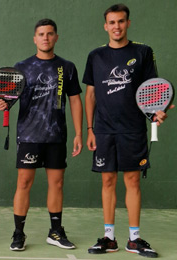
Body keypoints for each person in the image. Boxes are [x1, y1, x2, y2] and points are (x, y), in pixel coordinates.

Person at [84, 4, 172, 258]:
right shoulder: (95, 56)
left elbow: (153, 90)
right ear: (106, 26)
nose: (117, 26)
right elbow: (90, 95)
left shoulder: (143, 52)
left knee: (133, 181)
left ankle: (134, 239)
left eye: (121, 21)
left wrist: (157, 111)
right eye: (112, 22)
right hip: (103, 129)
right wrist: (90, 129)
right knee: (107, 180)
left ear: (128, 23)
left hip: (133, 129)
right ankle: (109, 238)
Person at [0, 19, 83, 251]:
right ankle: (18, 234)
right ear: (35, 39)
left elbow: (74, 100)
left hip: (56, 136)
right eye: (41, 34)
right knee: (24, 183)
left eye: (50, 34)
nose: (45, 37)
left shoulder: (67, 67)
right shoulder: (21, 66)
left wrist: (79, 133)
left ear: (56, 37)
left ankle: (55, 232)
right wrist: (5, 105)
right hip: (29, 136)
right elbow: (10, 98)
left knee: (57, 183)